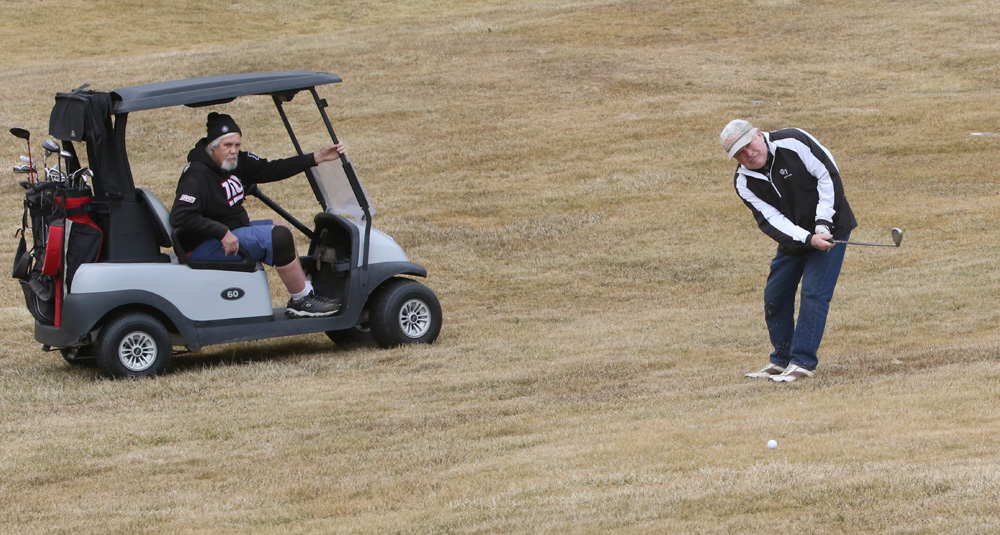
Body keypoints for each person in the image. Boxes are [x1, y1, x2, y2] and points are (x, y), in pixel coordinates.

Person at [720, 119, 857, 382]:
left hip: (831, 229)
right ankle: (781, 359)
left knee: (813, 293)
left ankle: (803, 362)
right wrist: (807, 238)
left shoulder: (794, 141)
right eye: (739, 154)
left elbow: (828, 176)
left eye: (748, 145)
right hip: (795, 238)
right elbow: (772, 221)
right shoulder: (744, 182)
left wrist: (822, 225)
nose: (748, 154)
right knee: (775, 295)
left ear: (758, 134)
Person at [170, 112, 345, 317]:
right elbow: (180, 216)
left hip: (228, 233)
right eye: (227, 145)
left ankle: (306, 288)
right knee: (278, 237)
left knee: (281, 226)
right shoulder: (197, 175)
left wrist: (317, 157)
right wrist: (221, 232)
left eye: (237, 144)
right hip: (202, 246)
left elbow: (272, 169)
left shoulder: (235, 162)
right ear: (212, 146)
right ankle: (301, 301)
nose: (233, 151)